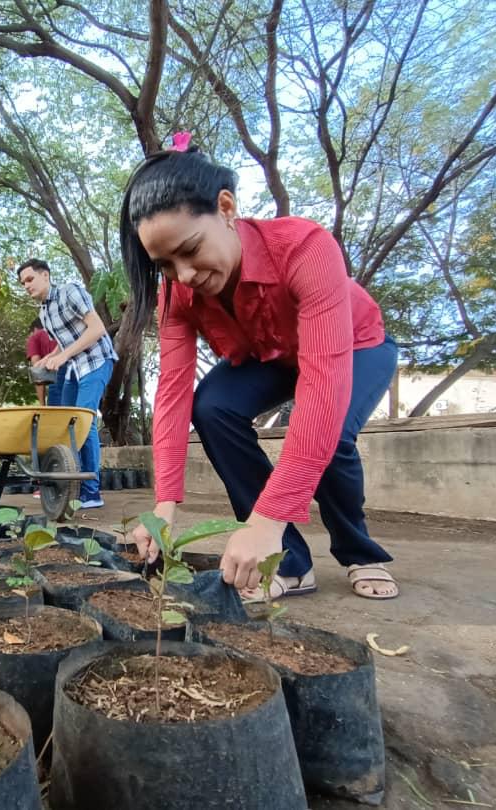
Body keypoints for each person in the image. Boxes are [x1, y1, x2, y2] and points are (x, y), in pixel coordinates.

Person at [120, 139, 399, 601]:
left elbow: (322, 389)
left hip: (354, 346)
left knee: (332, 436)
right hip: (271, 357)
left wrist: (267, 518)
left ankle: (358, 550)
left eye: (190, 249)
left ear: (225, 207)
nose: (185, 274)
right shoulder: (177, 296)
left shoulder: (305, 247)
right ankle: (286, 560)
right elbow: (172, 394)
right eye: (166, 265)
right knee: (212, 407)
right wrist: (163, 507)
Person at [19, 259, 117, 509]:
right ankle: (73, 483)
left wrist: (62, 356)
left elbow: (97, 329)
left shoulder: (69, 292)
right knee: (67, 424)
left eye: (30, 279)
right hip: (75, 368)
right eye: (23, 283)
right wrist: (52, 357)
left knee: (84, 422)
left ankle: (92, 492)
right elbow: (65, 341)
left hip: (96, 362)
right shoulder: (43, 312)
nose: (26, 286)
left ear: (45, 275)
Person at [26, 317, 68, 406]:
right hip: (81, 367)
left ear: (35, 329)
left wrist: (42, 404)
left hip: (59, 368)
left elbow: (38, 373)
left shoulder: (34, 337)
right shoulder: (60, 330)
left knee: (55, 414)